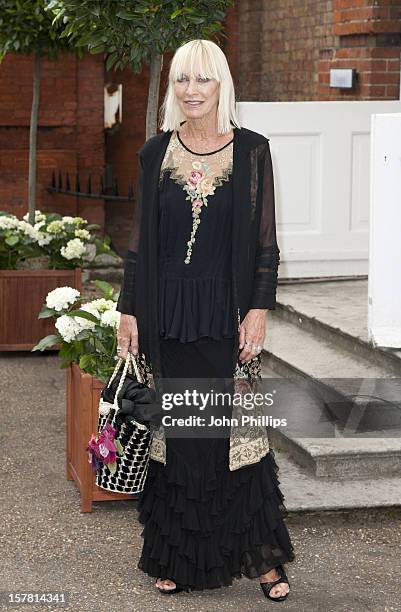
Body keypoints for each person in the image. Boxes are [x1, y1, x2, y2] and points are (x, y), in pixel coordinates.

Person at [116, 39, 295, 601]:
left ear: (222, 85)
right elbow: (140, 246)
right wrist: (129, 312)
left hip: (224, 313)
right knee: (180, 439)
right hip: (168, 316)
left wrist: (259, 309)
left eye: (203, 80)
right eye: (182, 81)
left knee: (235, 437)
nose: (191, 91)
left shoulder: (253, 152)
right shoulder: (154, 155)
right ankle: (178, 557)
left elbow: (266, 246)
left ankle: (263, 561)